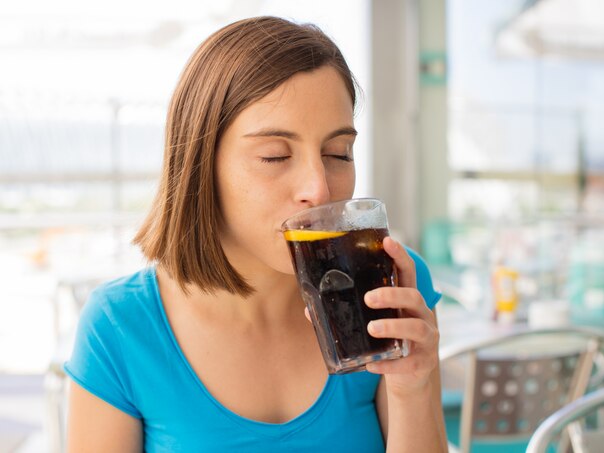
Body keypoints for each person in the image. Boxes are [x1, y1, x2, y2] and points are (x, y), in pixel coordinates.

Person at [64, 16, 447, 452]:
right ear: (200, 167)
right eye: (274, 155)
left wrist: (411, 389)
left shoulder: (389, 283)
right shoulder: (120, 327)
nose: (318, 188)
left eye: (337, 152)